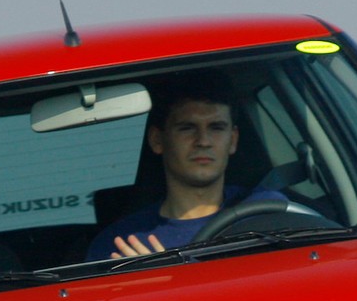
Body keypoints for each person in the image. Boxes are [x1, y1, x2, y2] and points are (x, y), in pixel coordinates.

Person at [85, 71, 283, 261]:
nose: (203, 141)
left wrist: (171, 276)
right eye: (187, 128)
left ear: (232, 140)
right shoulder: (120, 245)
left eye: (216, 128)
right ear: (157, 140)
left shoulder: (267, 211)